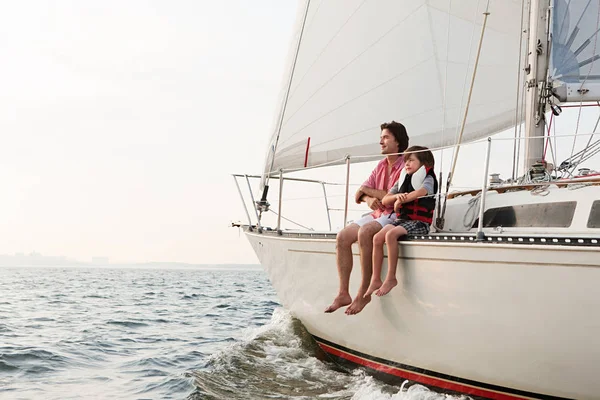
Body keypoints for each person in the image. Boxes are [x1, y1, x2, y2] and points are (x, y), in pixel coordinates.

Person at [324, 121, 409, 315]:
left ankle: (363, 293)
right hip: (377, 213)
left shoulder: (406, 166)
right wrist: (369, 197)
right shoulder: (381, 165)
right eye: (381, 138)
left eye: (386, 137)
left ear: (398, 142)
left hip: (394, 215)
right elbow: (358, 195)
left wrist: (367, 191)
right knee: (343, 237)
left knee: (365, 232)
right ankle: (343, 293)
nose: (381, 142)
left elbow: (389, 195)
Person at [364, 146, 438, 300]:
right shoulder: (403, 179)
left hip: (419, 223)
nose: (407, 164)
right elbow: (385, 199)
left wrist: (404, 199)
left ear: (424, 163)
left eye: (411, 160)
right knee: (378, 238)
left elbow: (421, 192)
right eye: (405, 161)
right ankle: (376, 279)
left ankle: (391, 277)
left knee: (391, 234)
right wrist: (397, 198)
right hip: (402, 221)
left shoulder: (428, 178)